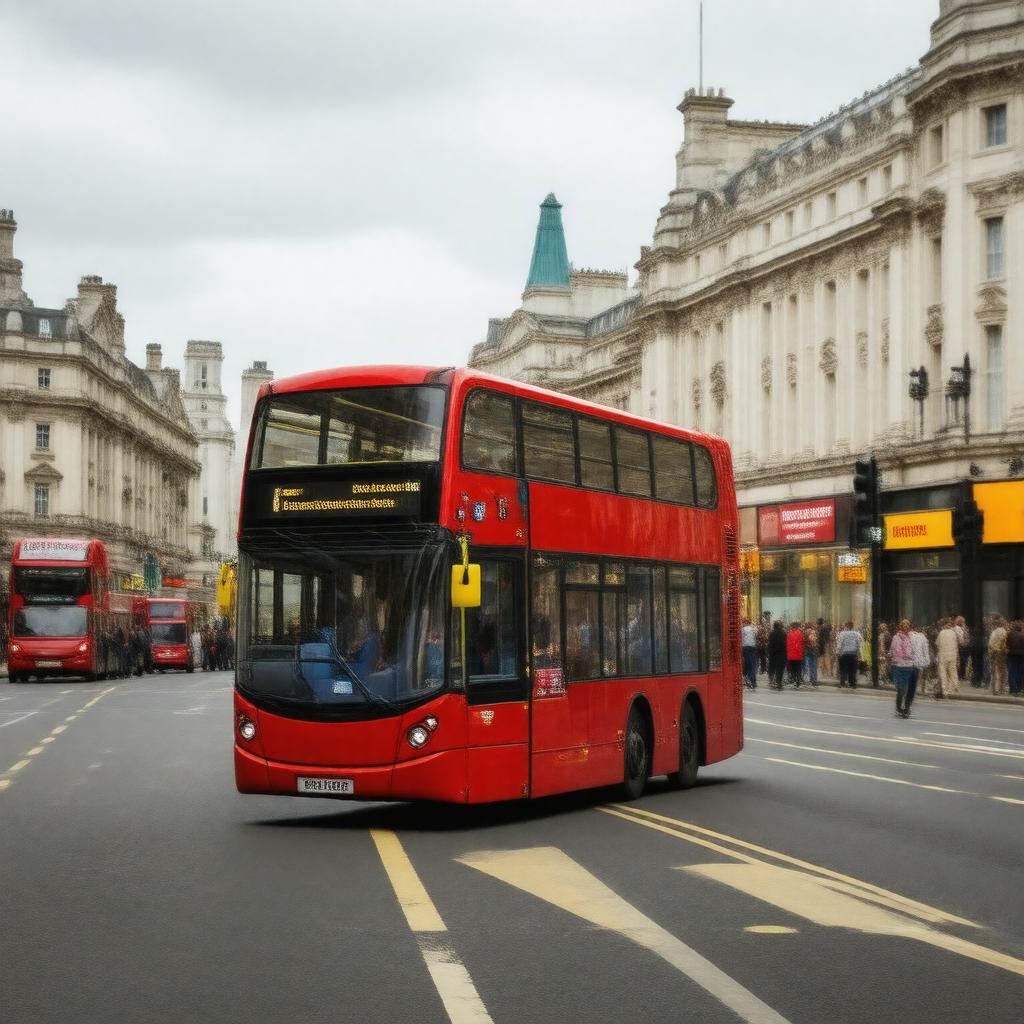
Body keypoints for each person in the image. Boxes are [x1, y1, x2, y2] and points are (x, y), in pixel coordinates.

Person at [889, 619, 915, 718]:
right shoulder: (896, 637)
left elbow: (914, 650)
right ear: (901, 626)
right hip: (898, 666)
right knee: (901, 689)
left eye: (907, 625)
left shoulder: (912, 637)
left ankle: (906, 708)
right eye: (904, 625)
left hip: (909, 666)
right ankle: (899, 708)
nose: (906, 626)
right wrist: (890, 656)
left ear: (910, 626)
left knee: (906, 690)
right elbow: (892, 649)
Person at [909, 621, 930, 718]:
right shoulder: (922, 637)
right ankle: (909, 702)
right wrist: (926, 662)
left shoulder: (904, 636)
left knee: (908, 684)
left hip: (907, 663)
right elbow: (925, 651)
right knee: (914, 685)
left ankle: (907, 701)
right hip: (917, 664)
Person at [936, 618, 960, 698]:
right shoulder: (953, 633)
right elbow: (957, 644)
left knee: (943, 673)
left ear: (944, 625)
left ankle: (944, 690)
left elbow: (937, 644)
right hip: (953, 655)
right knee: (952, 672)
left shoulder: (941, 633)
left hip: (943, 655)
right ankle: (953, 689)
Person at [835, 621, 862, 689]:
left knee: (843, 669)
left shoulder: (842, 634)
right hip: (853, 654)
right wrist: (859, 653)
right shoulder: (857, 634)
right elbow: (859, 643)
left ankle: (842, 683)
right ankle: (852, 684)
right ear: (852, 626)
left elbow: (839, 644)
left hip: (844, 654)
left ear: (846, 626)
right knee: (852, 670)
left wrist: (837, 652)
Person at [988, 617, 1009, 696]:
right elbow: (1004, 645)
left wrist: (993, 650)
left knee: (995, 672)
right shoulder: (1004, 632)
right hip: (1001, 654)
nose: (1007, 626)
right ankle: (1001, 689)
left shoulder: (994, 632)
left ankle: (995, 689)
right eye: (1007, 624)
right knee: (1002, 672)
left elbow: (990, 644)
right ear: (1004, 624)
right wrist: (1004, 650)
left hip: (993, 653)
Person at [954, 615, 973, 686]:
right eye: (963, 622)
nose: (964, 623)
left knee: (964, 661)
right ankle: (961, 675)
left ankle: (963, 674)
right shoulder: (957, 628)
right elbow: (960, 638)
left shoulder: (963, 628)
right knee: (962, 661)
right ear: (960, 622)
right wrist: (964, 643)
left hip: (964, 646)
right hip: (961, 646)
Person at [768, 621, 787, 690]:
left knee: (774, 668)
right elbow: (785, 644)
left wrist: (769, 652)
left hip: (773, 654)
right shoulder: (784, 633)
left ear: (774, 626)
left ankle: (773, 680)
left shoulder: (771, 633)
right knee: (780, 669)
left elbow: (770, 644)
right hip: (782, 653)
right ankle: (779, 682)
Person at [1007, 621, 1024, 696]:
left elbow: (1007, 644)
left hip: (1012, 655)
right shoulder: (1022, 635)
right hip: (1021, 656)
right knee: (1020, 672)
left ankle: (1012, 689)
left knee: (1012, 672)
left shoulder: (1010, 634)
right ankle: (1019, 688)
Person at [786, 622, 805, 688]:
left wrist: (788, 654)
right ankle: (798, 681)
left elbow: (787, 645)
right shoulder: (800, 634)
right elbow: (802, 644)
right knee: (798, 668)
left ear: (792, 627)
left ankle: (794, 680)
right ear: (797, 627)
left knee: (793, 669)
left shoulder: (789, 634)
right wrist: (802, 653)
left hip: (791, 655)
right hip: (798, 654)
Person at [741, 618, 758, 689]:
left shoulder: (742, 629)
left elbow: (740, 639)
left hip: (745, 648)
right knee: (753, 665)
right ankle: (753, 682)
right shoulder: (753, 629)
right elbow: (756, 638)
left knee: (747, 665)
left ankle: (747, 679)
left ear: (745, 623)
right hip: (753, 648)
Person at [803, 621, 819, 687]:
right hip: (813, 650)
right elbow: (815, 641)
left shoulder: (806, 632)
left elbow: (806, 641)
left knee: (809, 665)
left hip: (808, 650)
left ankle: (812, 679)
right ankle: (814, 679)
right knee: (813, 665)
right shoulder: (814, 632)